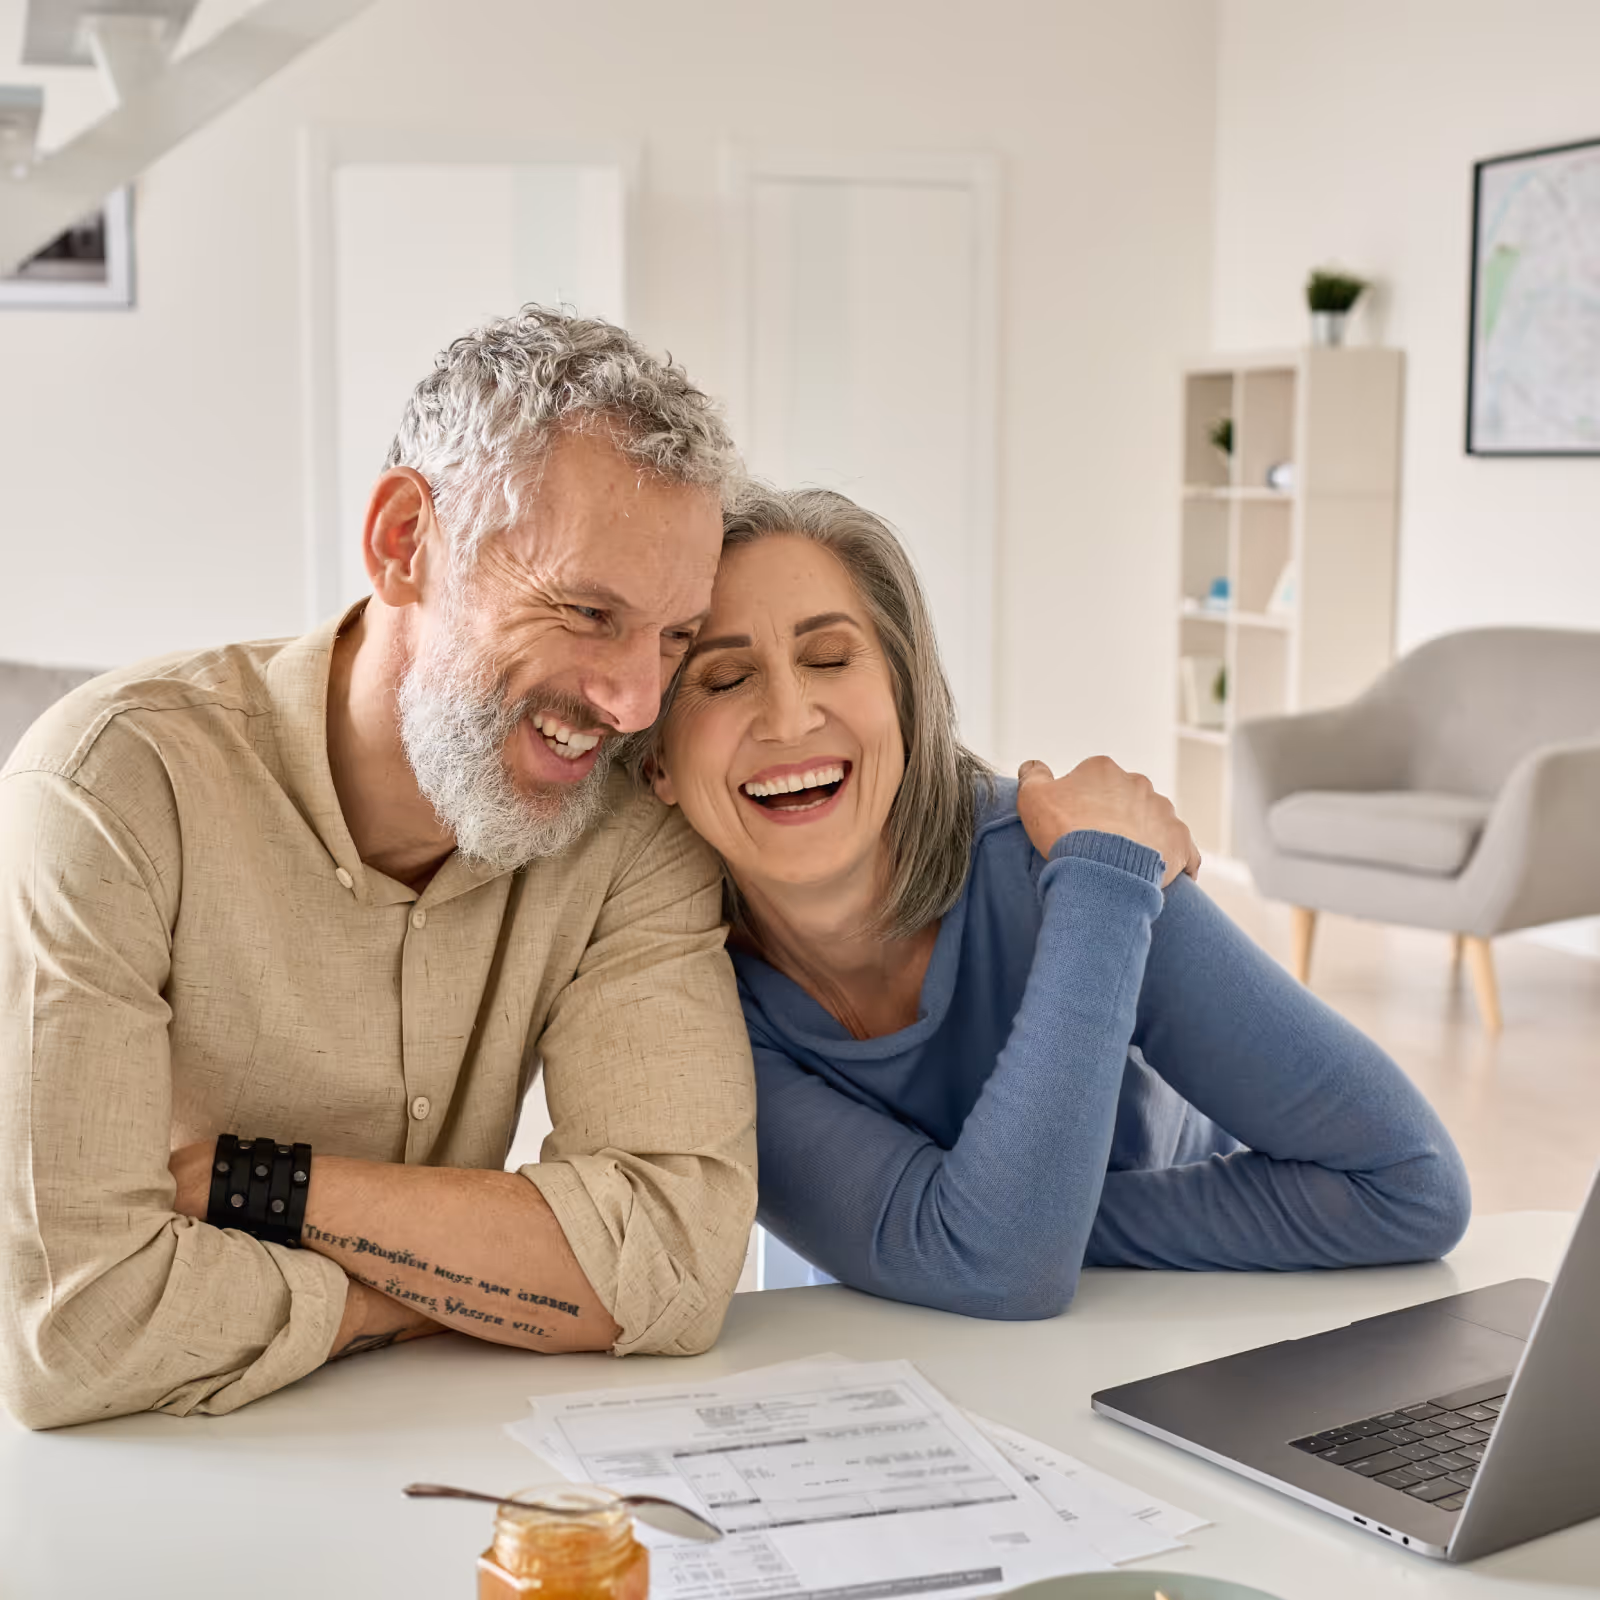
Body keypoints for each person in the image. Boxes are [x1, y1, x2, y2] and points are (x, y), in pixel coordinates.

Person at [0, 309, 757, 1429]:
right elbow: (76, 1326)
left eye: (674, 638)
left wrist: (261, 1186)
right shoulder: (114, 783)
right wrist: (409, 1299)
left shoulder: (629, 832)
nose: (636, 701)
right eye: (588, 612)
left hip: (424, 1463)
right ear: (405, 541)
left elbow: (678, 1261)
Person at [646, 484, 1472, 1318]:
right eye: (722, 678)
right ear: (656, 766)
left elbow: (1411, 1184)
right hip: (900, 1369)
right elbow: (994, 1262)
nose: (789, 717)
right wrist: (995, 1228)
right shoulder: (685, 1004)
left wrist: (1000, 1222)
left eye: (829, 658)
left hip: (1177, 1339)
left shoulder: (1080, 867)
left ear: (902, 696)